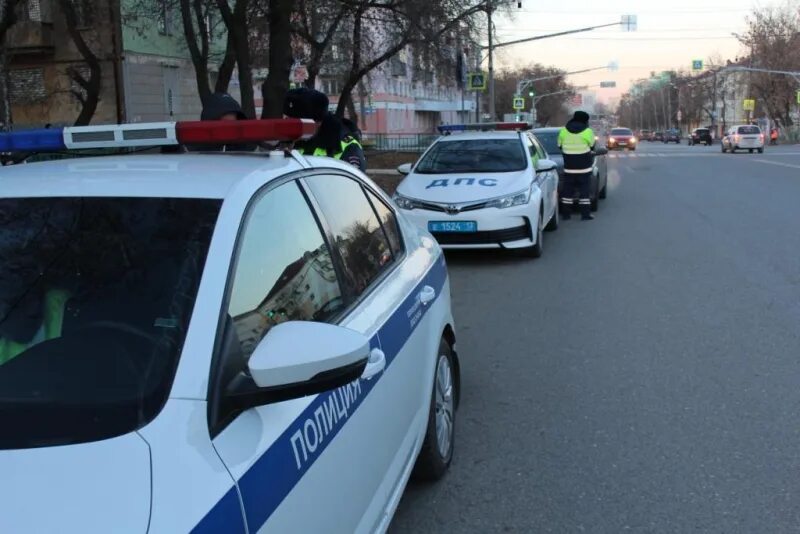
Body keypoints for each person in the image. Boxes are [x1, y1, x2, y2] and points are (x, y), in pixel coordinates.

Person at [283, 87, 366, 171]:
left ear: (317, 122)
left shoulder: (346, 147)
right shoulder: (285, 142)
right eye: (288, 120)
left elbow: (350, 182)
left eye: (298, 123)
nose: (290, 127)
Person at [557, 110, 596, 221]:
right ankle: (585, 215)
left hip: (569, 168)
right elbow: (592, 146)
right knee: (584, 192)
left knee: (567, 192)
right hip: (584, 168)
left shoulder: (563, 131)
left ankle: (566, 215)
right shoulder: (588, 132)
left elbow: (559, 146)